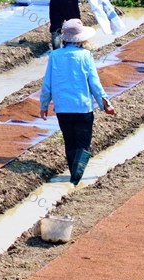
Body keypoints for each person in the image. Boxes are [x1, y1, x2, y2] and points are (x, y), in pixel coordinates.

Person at [39, 19, 115, 185]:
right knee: (83, 145)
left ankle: (74, 175)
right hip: (82, 108)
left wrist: (44, 105)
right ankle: (76, 177)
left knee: (70, 142)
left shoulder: (55, 56)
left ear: (64, 39)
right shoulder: (85, 56)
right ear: (81, 39)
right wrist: (105, 104)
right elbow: (94, 83)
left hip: (62, 109)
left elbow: (48, 84)